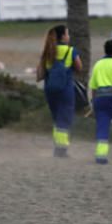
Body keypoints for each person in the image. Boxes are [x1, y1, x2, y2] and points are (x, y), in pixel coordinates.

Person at [36, 24, 83, 157]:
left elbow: (40, 71)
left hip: (50, 89)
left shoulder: (48, 51)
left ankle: (58, 145)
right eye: (67, 34)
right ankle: (61, 149)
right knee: (65, 119)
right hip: (65, 89)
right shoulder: (71, 51)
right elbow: (79, 67)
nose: (69, 36)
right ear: (63, 37)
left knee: (57, 119)